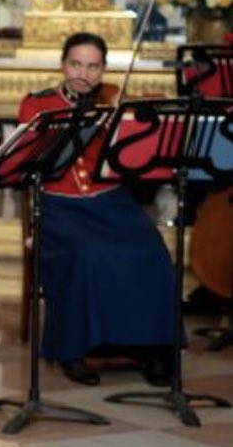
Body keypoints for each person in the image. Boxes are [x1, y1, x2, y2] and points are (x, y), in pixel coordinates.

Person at [18, 31, 178, 386]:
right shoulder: (37, 105)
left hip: (111, 200)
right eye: (76, 64)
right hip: (60, 204)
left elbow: (136, 158)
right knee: (86, 253)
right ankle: (72, 350)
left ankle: (150, 347)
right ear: (63, 65)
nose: (83, 74)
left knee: (150, 251)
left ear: (103, 70)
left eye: (92, 67)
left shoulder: (113, 104)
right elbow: (26, 156)